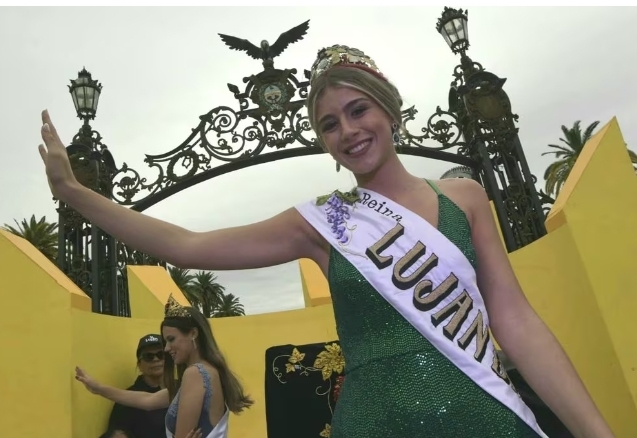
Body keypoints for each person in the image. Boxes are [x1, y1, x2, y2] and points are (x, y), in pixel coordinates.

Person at [38, 44, 614, 438]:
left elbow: (517, 323)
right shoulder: (323, 221)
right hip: (374, 422)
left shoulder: (465, 197)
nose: (348, 131)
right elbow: (186, 246)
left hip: (483, 413)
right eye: (330, 124)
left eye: (358, 110)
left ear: (389, 110)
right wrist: (74, 193)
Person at [75, 297, 253, 438]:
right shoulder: (210, 371)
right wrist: (97, 388)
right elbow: (148, 400)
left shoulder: (195, 374)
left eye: (171, 339)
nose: (167, 349)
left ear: (193, 333)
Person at [107, 334, 167, 438]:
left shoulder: (182, 388)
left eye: (161, 354)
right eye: (149, 356)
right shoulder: (127, 400)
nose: (155, 359)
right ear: (139, 365)